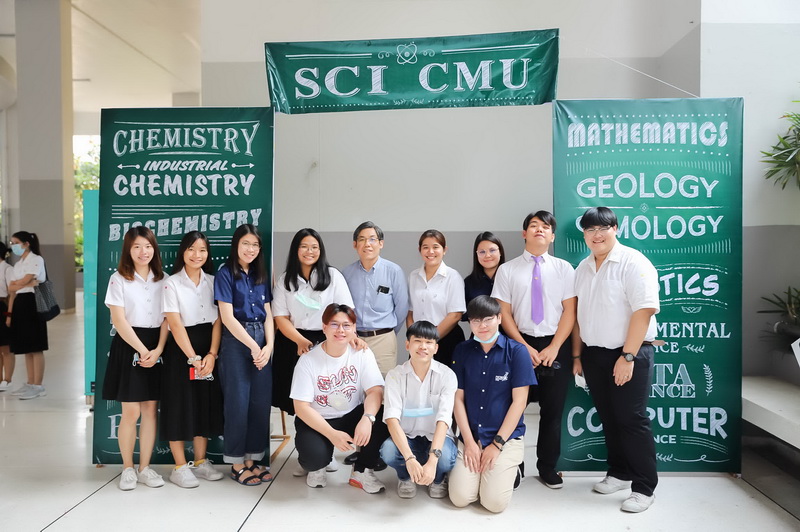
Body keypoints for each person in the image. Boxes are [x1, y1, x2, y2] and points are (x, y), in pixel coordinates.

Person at [574, 206, 660, 513]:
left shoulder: (633, 262)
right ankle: (620, 473)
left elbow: (644, 311)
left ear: (616, 229)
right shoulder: (583, 267)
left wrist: (628, 355)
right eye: (590, 230)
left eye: (603, 228)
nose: (596, 235)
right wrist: (578, 355)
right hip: (594, 354)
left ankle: (644, 488)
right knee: (609, 417)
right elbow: (578, 314)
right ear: (584, 234)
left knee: (631, 419)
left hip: (629, 353)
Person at [491, 211, 577, 489]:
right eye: (533, 226)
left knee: (552, 412)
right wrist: (522, 346)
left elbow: (570, 311)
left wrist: (555, 346)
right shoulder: (507, 270)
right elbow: (503, 313)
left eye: (545, 227)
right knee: (512, 409)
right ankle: (512, 466)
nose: (540, 229)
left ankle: (548, 467)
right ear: (524, 233)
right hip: (519, 344)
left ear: (552, 236)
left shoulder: (565, 269)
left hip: (556, 344)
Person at [449, 295, 536, 514]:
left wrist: (496, 445)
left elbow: (519, 402)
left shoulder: (517, 352)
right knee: (460, 498)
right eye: (476, 320)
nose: (482, 326)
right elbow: (457, 399)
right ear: (470, 323)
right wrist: (469, 442)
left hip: (504, 438)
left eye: (488, 319)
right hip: (472, 436)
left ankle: (513, 472)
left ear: (499, 318)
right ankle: (485, 474)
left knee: (494, 504)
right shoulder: (462, 350)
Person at [291, 303, 389, 493]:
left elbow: (375, 390)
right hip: (317, 419)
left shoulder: (362, 353)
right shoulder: (307, 360)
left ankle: (361, 471)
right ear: (324, 327)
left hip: (351, 414)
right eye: (334, 324)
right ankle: (319, 465)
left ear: (354, 328)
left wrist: (367, 418)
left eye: (346, 325)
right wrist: (332, 434)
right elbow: (301, 407)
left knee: (384, 416)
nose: (340, 330)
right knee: (313, 458)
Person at [101, 226, 168, 491]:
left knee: (150, 410)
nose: (143, 252)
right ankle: (127, 468)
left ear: (154, 249)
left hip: (156, 344)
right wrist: (142, 350)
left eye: (148, 246)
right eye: (137, 246)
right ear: (128, 250)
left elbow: (168, 318)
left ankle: (144, 468)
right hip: (129, 344)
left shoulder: (164, 279)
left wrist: (159, 349)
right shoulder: (118, 279)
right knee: (131, 411)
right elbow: (119, 320)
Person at [160, 231, 225, 488]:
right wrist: (193, 358)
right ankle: (179, 467)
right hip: (181, 350)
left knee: (203, 404)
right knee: (178, 405)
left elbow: (218, 321)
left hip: (208, 348)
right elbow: (175, 324)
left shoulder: (214, 281)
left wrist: (212, 354)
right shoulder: (171, 283)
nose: (197, 255)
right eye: (191, 249)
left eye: (202, 250)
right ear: (183, 252)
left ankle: (200, 461)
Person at [215, 224, 275, 486]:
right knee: (237, 403)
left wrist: (269, 346)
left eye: (255, 245)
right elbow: (227, 317)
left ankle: (252, 459)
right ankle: (237, 463)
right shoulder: (225, 273)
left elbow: (268, 313)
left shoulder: (261, 273)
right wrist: (253, 346)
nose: (250, 249)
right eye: (245, 244)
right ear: (236, 245)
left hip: (262, 340)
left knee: (260, 402)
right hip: (237, 341)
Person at [272, 228, 354, 416]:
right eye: (304, 247)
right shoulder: (285, 280)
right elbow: (281, 317)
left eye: (314, 247)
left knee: (324, 397)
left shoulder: (333, 276)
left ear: (320, 250)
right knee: (295, 397)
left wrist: (350, 337)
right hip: (292, 341)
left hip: (326, 340)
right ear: (296, 250)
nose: (309, 251)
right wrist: (300, 341)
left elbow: (346, 313)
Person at [380, 320, 457, 499]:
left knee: (446, 459)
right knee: (388, 452)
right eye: (418, 341)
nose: (423, 346)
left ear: (436, 348)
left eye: (429, 342)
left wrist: (433, 461)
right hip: (407, 437)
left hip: (436, 437)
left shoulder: (447, 375)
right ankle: (405, 477)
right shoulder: (395, 376)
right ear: (407, 345)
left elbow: (444, 419)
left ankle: (437, 478)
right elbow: (392, 419)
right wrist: (409, 458)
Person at [343, 221, 409, 377]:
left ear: (381, 243)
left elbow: (402, 308)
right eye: (362, 239)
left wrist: (387, 332)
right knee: (354, 383)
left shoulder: (393, 271)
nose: (367, 244)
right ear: (355, 244)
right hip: (354, 339)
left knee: (382, 385)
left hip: (383, 339)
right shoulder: (347, 273)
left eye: (372, 239)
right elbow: (344, 308)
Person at [407, 230, 466, 367]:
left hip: (446, 339)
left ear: (444, 250)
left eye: (435, 247)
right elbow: (410, 312)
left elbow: (455, 315)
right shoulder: (413, 276)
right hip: (419, 342)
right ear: (420, 250)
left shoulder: (453, 277)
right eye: (425, 247)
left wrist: (430, 340)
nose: (430, 251)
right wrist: (414, 338)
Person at [6, 231, 49, 400]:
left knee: (36, 346)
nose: (13, 246)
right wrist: (23, 283)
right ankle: (30, 383)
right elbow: (11, 287)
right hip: (20, 303)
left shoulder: (36, 259)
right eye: (12, 243)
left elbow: (27, 280)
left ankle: (38, 385)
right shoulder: (18, 264)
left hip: (33, 302)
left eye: (15, 242)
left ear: (26, 243)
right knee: (26, 346)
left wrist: (22, 283)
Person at [464, 232, 506, 309]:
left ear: (500, 252)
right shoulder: (468, 283)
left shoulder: (511, 278)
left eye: (492, 250)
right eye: (482, 252)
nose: (487, 255)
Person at [0, 243, 14, 391]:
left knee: (5, 347)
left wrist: (9, 314)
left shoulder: (7, 269)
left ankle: (7, 379)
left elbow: (12, 294)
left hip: (2, 306)